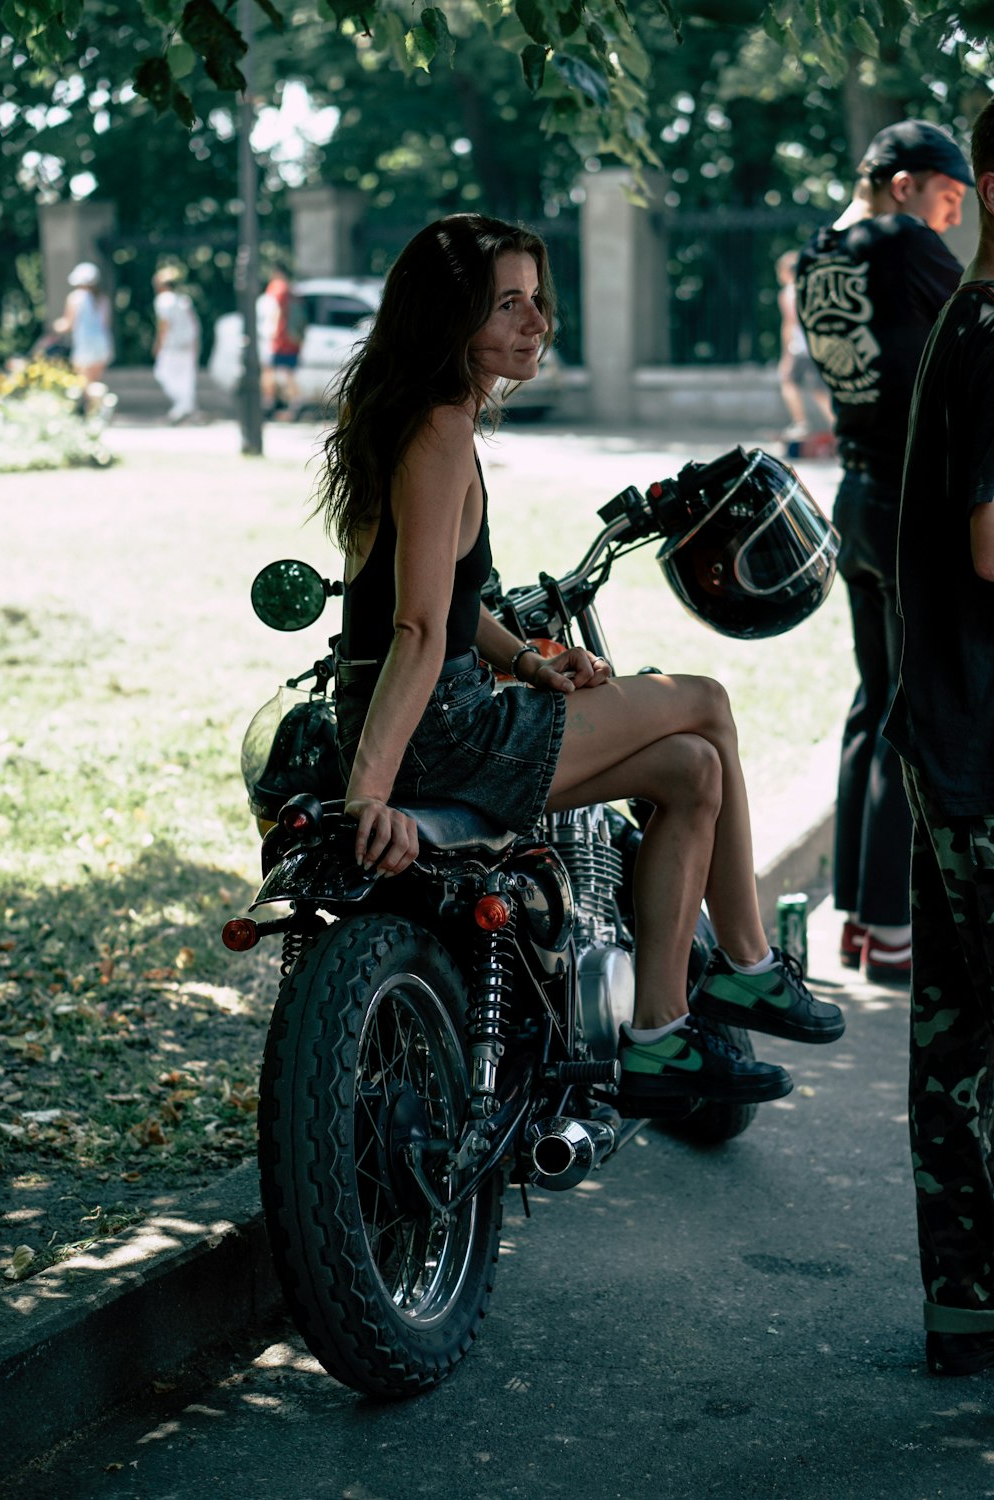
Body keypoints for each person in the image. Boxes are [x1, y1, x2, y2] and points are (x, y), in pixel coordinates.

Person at [316, 212, 844, 1118]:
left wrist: (530, 656)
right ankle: (754, 968)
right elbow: (415, 630)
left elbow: (446, 597)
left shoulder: (406, 418)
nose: (536, 323)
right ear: (449, 319)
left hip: (422, 717)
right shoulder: (440, 425)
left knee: (691, 769)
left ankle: (658, 1035)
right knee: (707, 700)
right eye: (507, 304)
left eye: (537, 300)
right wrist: (372, 790)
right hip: (442, 730)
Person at [795, 120, 972, 984]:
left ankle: (863, 921)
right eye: (947, 198)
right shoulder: (902, 242)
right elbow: (976, 320)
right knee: (913, 707)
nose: (950, 222)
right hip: (909, 501)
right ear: (903, 184)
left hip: (856, 494)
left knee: (874, 701)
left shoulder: (823, 251)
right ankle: (899, 930)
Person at [883, 99, 994, 1378]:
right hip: (981, 740)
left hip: (950, 730)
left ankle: (967, 1307)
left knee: (960, 1038)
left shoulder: (966, 315)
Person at [775, 250, 833, 443]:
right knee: (819, 389)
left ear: (785, 272)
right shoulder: (812, 288)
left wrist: (786, 353)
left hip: (800, 348)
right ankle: (836, 424)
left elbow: (790, 323)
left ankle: (801, 423)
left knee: (789, 382)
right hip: (817, 346)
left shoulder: (789, 292)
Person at [152, 266, 200, 425]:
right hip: (187, 344)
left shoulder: (163, 300)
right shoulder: (183, 300)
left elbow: (164, 325)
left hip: (172, 345)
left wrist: (158, 344)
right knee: (186, 378)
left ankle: (182, 408)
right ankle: (185, 408)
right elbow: (194, 324)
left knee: (162, 373)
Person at [54, 262, 113, 386]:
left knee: (85, 384)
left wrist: (56, 326)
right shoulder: (102, 299)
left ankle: (96, 405)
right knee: (96, 383)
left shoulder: (75, 297)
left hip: (84, 346)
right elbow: (105, 323)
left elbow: (68, 324)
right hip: (102, 344)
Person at [261, 265, 305, 419]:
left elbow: (277, 311)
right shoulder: (293, 290)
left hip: (280, 339)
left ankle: (269, 403)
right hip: (293, 339)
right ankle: (295, 403)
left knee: (269, 370)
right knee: (288, 372)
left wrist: (272, 332)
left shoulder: (278, 288)